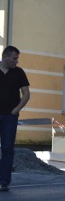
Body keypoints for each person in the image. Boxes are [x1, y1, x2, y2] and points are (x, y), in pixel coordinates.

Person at [0, 46, 31, 192]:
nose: (16, 61)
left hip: (9, 117)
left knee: (7, 148)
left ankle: (4, 181)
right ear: (5, 57)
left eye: (17, 58)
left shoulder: (19, 73)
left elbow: (26, 94)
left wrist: (16, 111)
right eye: (14, 58)